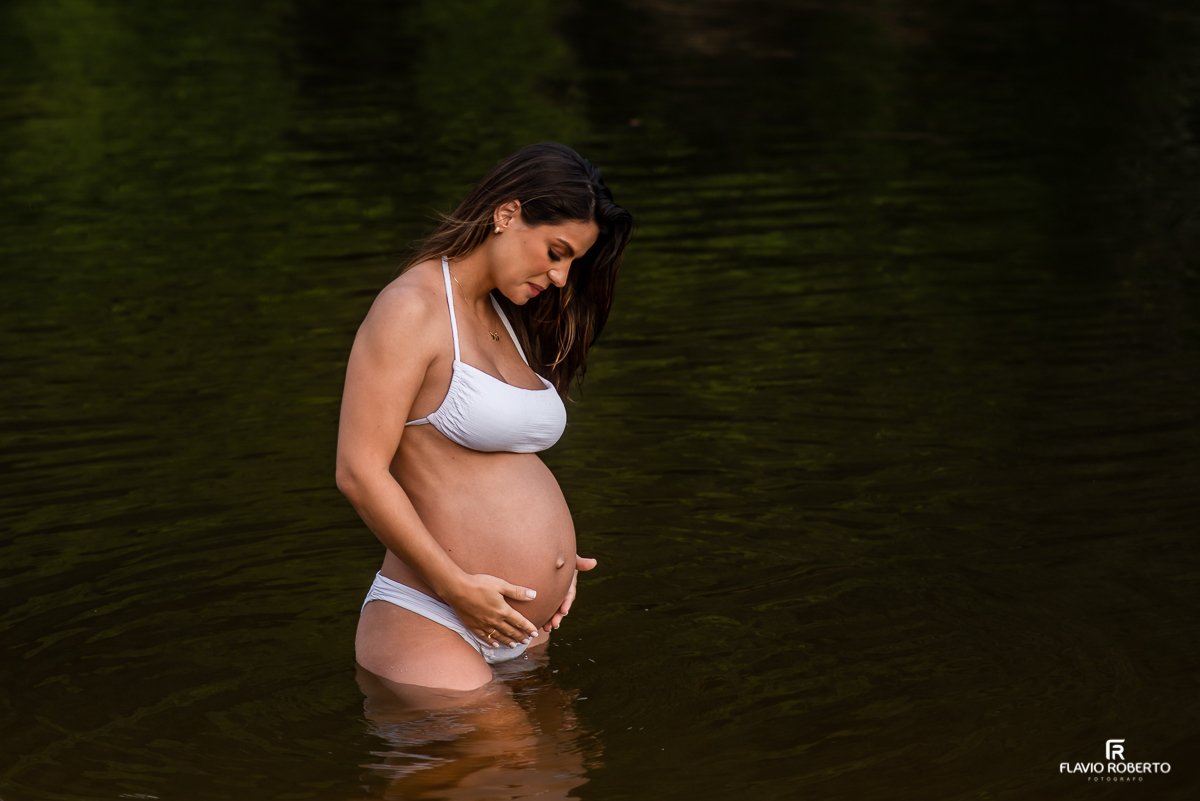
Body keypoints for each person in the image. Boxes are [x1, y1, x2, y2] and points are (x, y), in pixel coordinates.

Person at [336, 142, 634, 692]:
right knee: (505, 746)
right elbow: (359, 472)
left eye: (572, 262)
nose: (561, 276)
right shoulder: (412, 307)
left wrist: (555, 563)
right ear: (507, 213)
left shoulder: (504, 313)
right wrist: (455, 587)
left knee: (559, 753)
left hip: (522, 625)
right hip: (436, 615)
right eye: (556, 251)